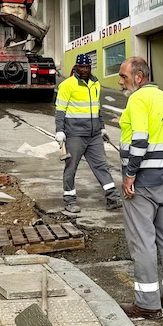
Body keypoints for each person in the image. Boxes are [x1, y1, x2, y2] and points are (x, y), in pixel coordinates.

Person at [116, 56, 163, 319]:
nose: (120, 81)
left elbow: (141, 139)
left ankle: (147, 303)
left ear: (138, 77)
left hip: (142, 183)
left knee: (143, 242)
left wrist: (130, 174)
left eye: (123, 76)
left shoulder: (138, 99)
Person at [53, 53, 121, 213]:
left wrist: (102, 127)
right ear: (76, 67)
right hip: (75, 134)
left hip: (94, 135)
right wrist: (60, 131)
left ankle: (113, 198)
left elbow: (97, 109)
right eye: (81, 67)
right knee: (71, 168)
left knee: (102, 166)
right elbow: (60, 110)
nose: (84, 70)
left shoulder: (95, 84)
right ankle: (70, 200)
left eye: (87, 67)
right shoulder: (67, 85)